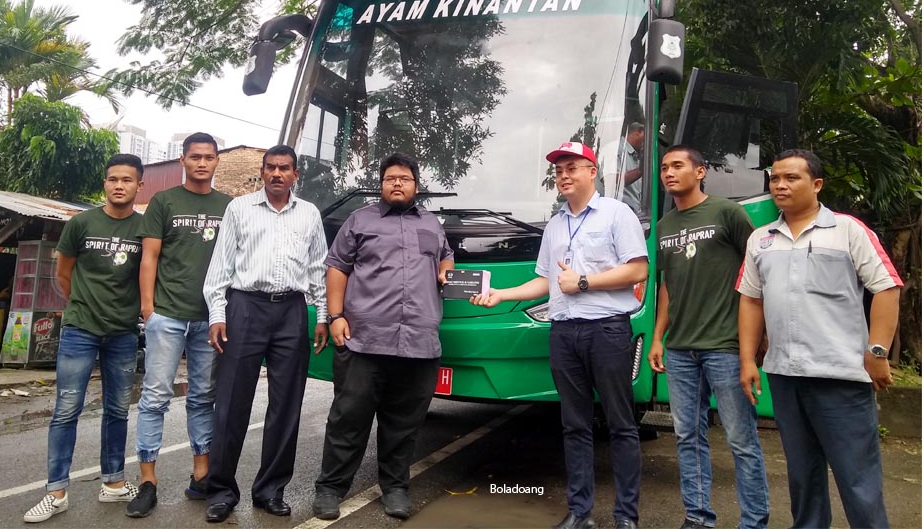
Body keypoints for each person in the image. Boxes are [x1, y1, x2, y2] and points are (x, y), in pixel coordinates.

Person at [471, 141, 648, 529]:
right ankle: (580, 514)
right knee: (574, 425)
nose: (564, 176)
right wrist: (503, 294)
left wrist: (584, 281)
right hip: (564, 332)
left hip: (607, 330)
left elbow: (638, 270)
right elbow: (545, 281)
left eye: (571, 167)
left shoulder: (618, 214)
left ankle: (626, 517)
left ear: (591, 170)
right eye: (558, 170)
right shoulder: (555, 224)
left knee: (619, 423)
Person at [737, 149, 902, 529]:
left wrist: (876, 351)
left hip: (840, 377)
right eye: (775, 178)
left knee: (858, 480)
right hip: (785, 376)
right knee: (802, 477)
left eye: (791, 178)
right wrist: (748, 360)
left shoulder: (848, 230)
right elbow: (750, 300)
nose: (780, 185)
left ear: (817, 184)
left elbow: (887, 288)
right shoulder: (761, 239)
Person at [312, 153, 455, 521]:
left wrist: (445, 270)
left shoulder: (432, 223)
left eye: (404, 178)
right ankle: (330, 488)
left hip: (418, 343)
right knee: (348, 418)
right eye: (390, 178)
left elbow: (446, 256)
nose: (396, 183)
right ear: (381, 185)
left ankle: (395, 488)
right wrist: (336, 316)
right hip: (364, 339)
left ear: (416, 186)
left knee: (404, 423)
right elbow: (337, 268)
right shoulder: (360, 220)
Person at [201, 144, 329, 524]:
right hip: (244, 308)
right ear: (262, 171)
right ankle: (221, 492)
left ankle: (270, 490)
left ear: (295, 175)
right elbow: (220, 267)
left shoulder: (309, 214)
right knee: (230, 404)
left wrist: (321, 315)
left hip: (291, 310)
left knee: (286, 406)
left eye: (284, 168)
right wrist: (217, 315)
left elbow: (319, 268)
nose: (276, 174)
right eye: (270, 167)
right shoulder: (239, 209)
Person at [647, 146, 769, 529]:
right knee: (687, 437)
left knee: (741, 440)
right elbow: (667, 286)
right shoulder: (665, 224)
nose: (668, 172)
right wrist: (657, 338)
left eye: (678, 165)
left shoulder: (727, 213)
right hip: (681, 349)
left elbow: (756, 273)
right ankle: (698, 518)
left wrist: (757, 340)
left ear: (700, 172)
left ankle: (754, 521)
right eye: (664, 167)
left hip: (726, 346)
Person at [23, 154, 145, 523]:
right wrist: (82, 307)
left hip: (123, 333)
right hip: (80, 330)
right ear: (105, 183)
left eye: (127, 179)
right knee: (65, 411)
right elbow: (64, 274)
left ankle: (113, 484)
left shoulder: (145, 228)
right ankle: (55, 492)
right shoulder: (81, 223)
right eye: (112, 179)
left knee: (118, 411)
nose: (119, 185)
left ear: (139, 185)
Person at [125, 133, 233, 518]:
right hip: (167, 315)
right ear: (182, 161)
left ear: (217, 161)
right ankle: (148, 481)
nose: (202, 163)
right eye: (194, 157)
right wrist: (149, 309)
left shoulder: (230, 206)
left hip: (210, 318)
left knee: (203, 396)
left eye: (208, 157)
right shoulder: (163, 201)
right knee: (155, 398)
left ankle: (200, 475)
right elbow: (149, 257)